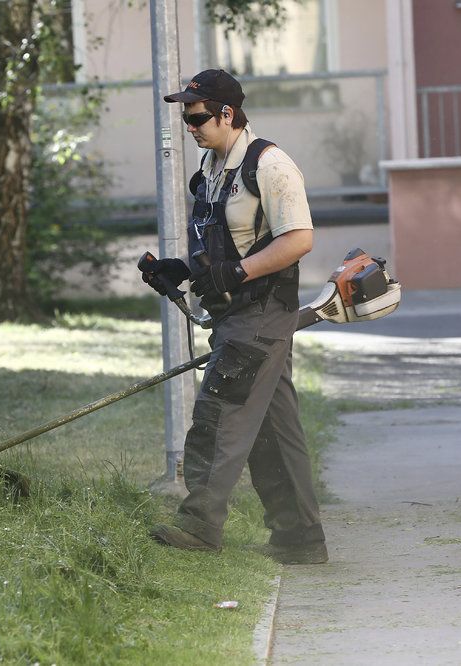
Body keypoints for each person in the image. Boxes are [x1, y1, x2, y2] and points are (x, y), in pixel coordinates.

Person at [143, 69, 327, 564]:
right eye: (185, 116)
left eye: (198, 116)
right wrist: (179, 271)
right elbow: (217, 249)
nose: (190, 125)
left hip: (261, 312)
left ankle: (200, 525)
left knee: (218, 414)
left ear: (228, 113)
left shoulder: (270, 165)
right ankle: (300, 538)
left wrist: (237, 273)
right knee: (271, 425)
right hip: (234, 313)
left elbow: (298, 239)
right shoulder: (210, 167)